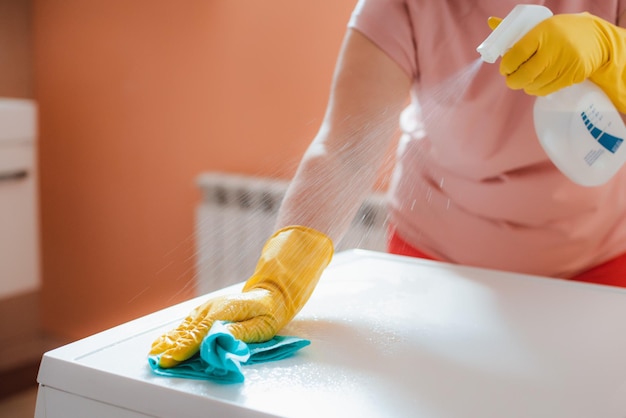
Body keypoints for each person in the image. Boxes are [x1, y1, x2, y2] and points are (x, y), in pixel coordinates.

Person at [150, 0, 626, 368]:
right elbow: (346, 151)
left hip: (596, 265)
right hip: (434, 266)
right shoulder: (403, 5)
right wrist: (279, 281)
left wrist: (613, 53)